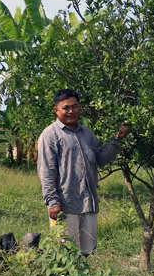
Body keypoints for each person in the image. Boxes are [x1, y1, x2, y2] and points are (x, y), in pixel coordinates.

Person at [37, 89, 131, 255]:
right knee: (66, 254)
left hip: (89, 203)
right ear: (56, 110)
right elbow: (47, 172)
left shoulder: (86, 133)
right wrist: (53, 202)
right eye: (66, 108)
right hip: (65, 206)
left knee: (88, 252)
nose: (71, 111)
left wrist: (118, 139)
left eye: (75, 106)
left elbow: (100, 159)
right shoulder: (50, 135)